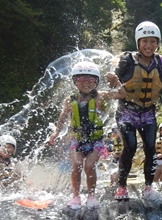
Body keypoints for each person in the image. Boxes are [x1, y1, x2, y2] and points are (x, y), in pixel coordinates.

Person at [104, 21, 162, 201]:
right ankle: (122, 186)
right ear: (138, 42)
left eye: (153, 42)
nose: (149, 46)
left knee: (150, 148)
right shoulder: (127, 59)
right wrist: (111, 79)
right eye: (145, 41)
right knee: (130, 146)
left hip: (148, 112)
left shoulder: (160, 61)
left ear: (157, 43)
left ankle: (148, 187)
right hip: (127, 112)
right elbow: (114, 82)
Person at [47, 61, 124, 210]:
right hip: (78, 139)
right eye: (81, 79)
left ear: (96, 82)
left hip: (95, 140)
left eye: (91, 79)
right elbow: (62, 117)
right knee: (76, 165)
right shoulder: (70, 100)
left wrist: (116, 81)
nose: (86, 83)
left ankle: (91, 196)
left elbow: (122, 94)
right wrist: (56, 132)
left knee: (89, 166)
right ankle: (75, 197)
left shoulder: (100, 96)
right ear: (75, 81)